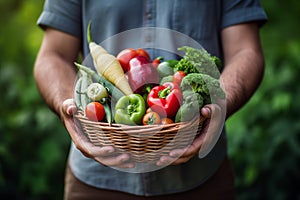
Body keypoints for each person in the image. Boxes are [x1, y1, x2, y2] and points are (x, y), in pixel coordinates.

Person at [34, 0, 267, 199]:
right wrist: (71, 108)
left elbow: (245, 51)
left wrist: (220, 103)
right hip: (97, 181)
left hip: (203, 178)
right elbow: (53, 55)